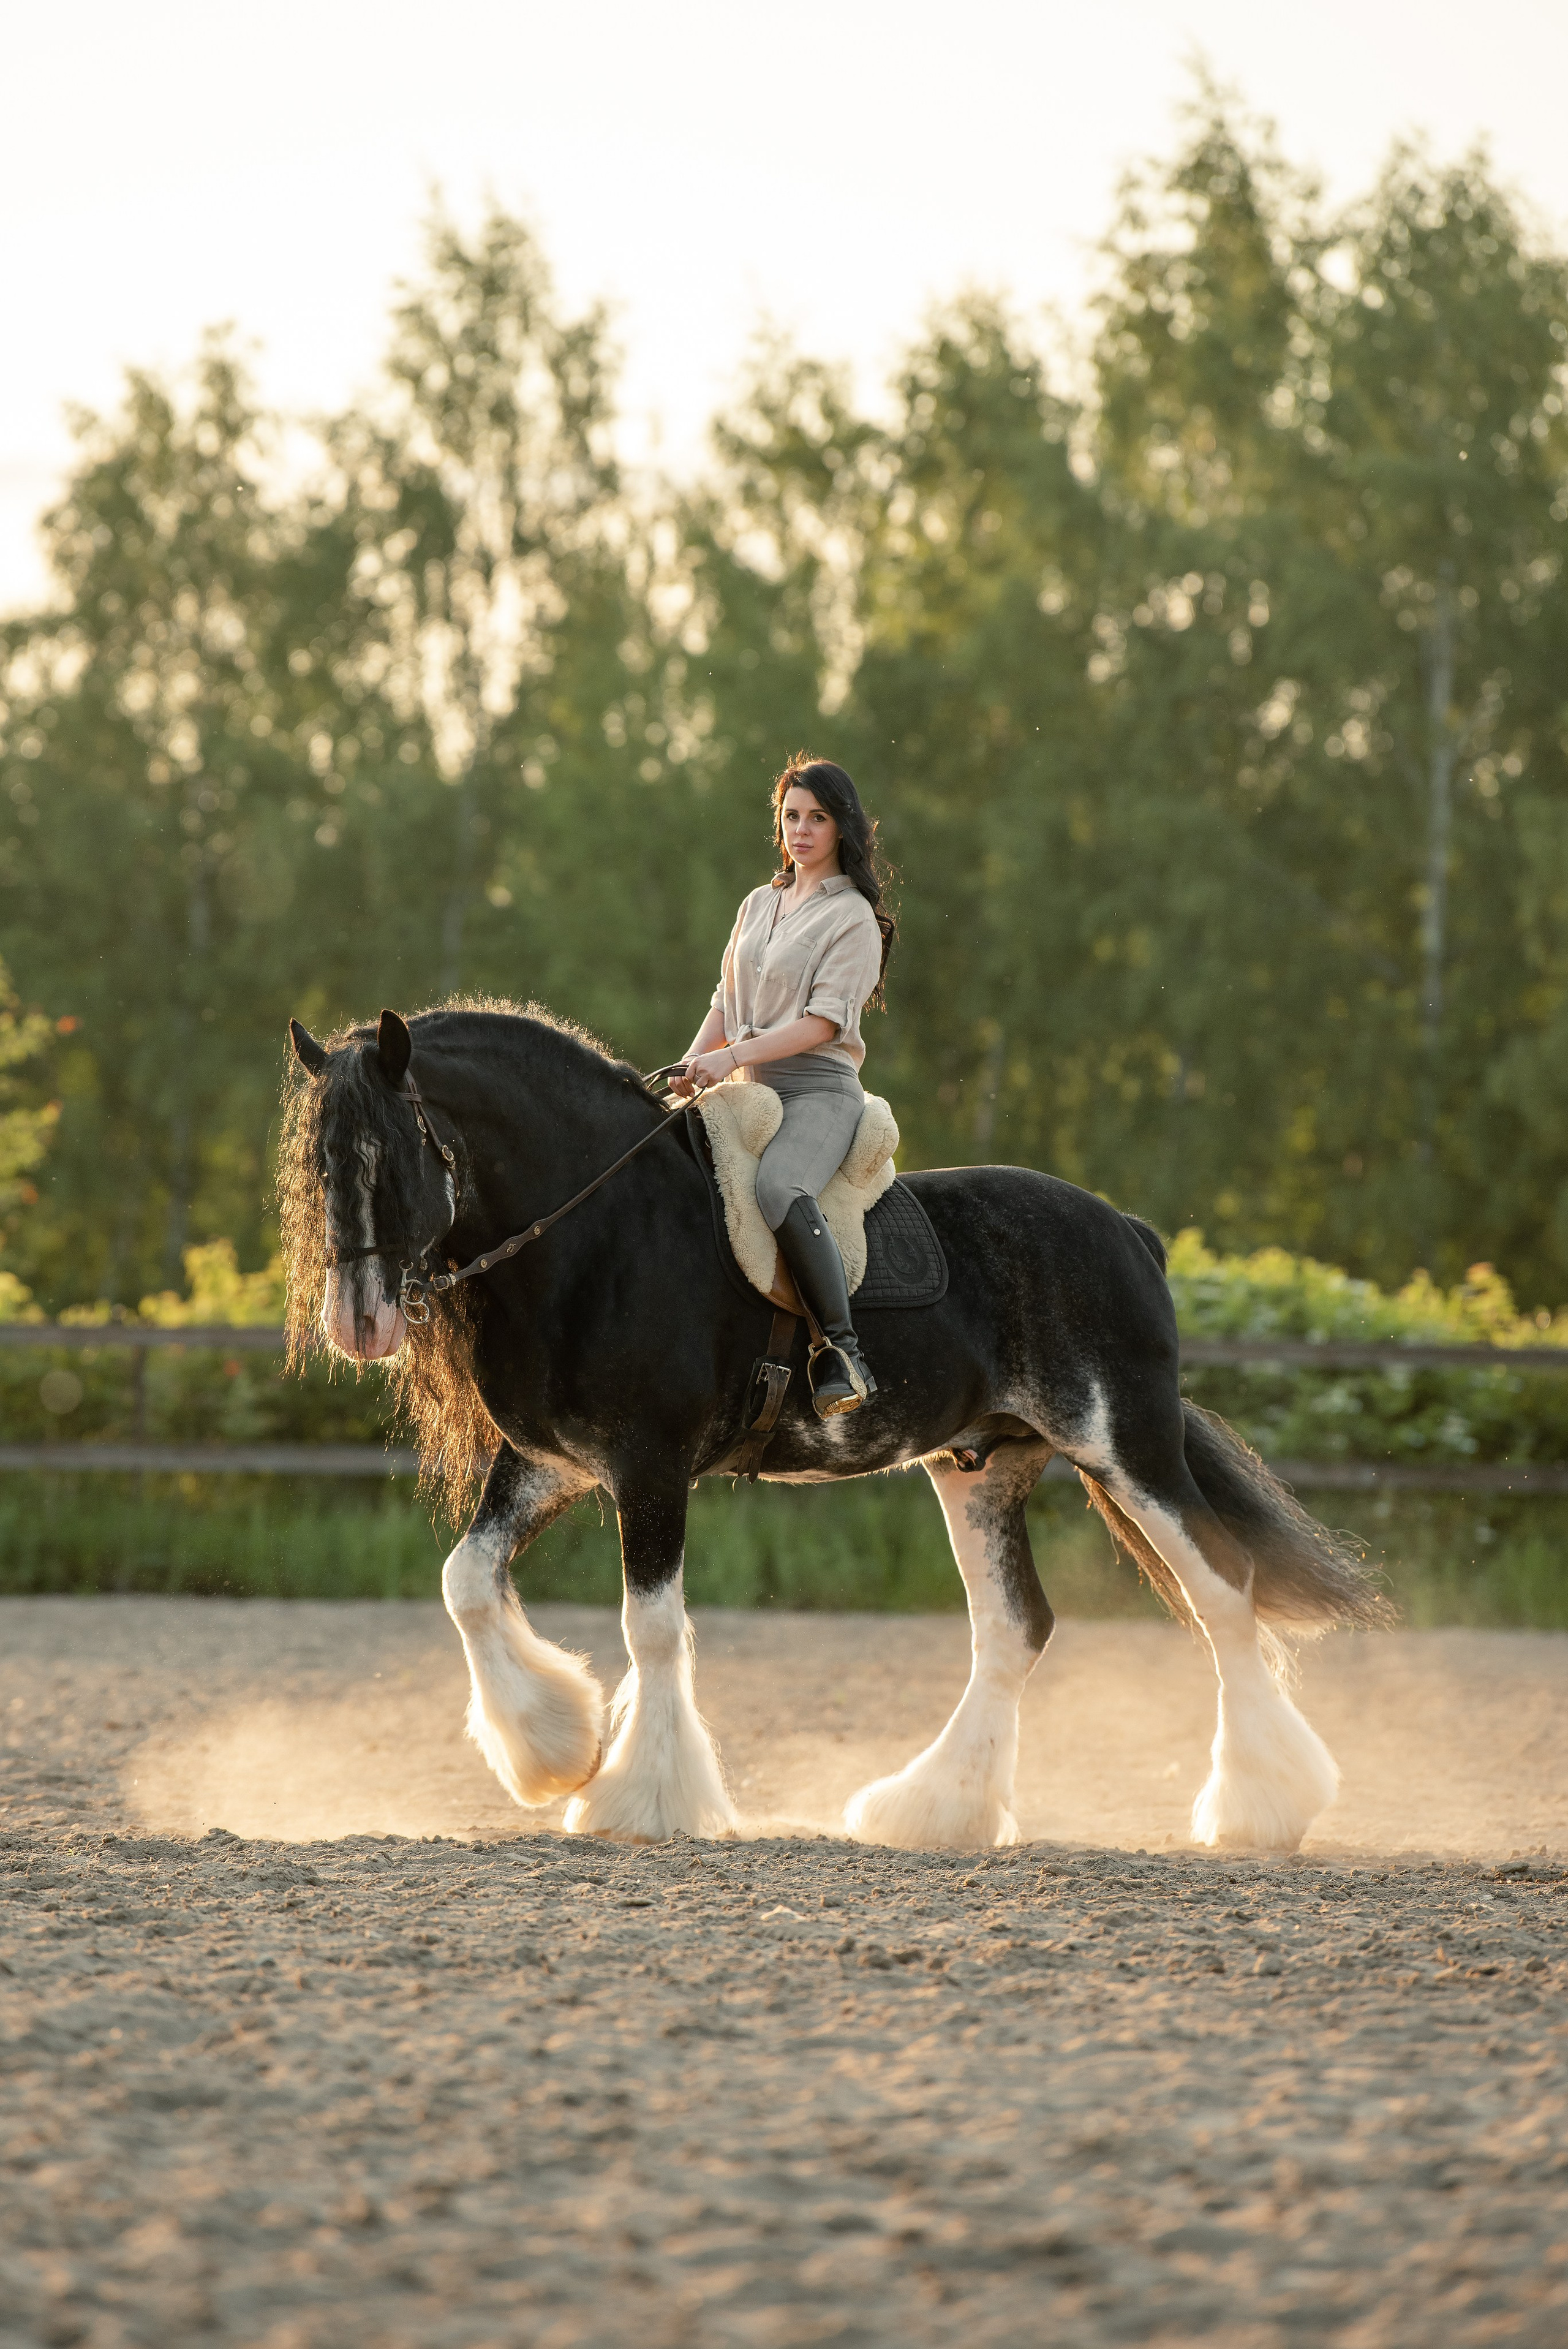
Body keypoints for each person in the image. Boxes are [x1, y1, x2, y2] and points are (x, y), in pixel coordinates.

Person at [672, 755, 896, 1417]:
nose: (801, 831)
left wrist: (731, 1055)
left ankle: (842, 1351)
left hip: (817, 1091)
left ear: (841, 828)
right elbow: (723, 1000)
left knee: (777, 1186)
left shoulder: (852, 918)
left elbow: (823, 1024)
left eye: (817, 819)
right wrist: (693, 1062)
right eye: (791, 817)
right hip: (744, 1084)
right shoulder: (758, 902)